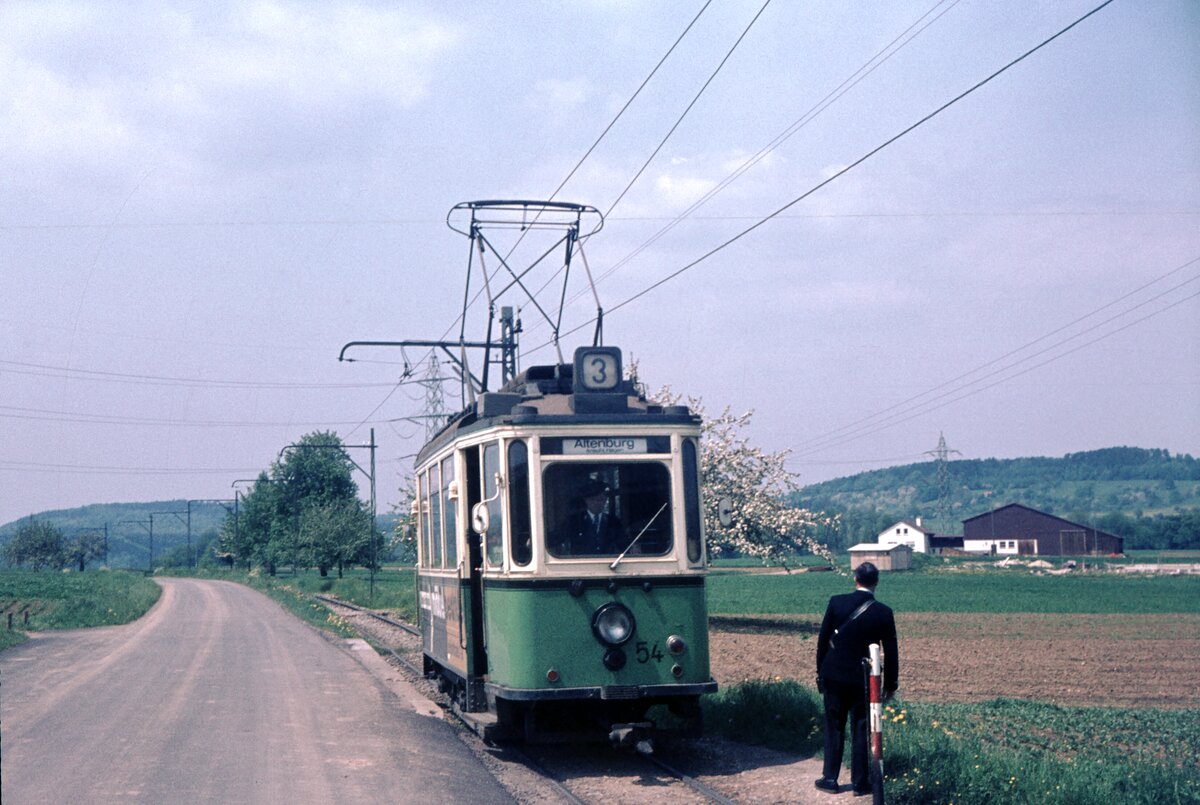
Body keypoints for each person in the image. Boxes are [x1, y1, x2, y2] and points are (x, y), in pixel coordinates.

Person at [814, 561, 899, 796]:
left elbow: (822, 641)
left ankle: (830, 778)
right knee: (861, 727)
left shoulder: (836, 602)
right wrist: (891, 684)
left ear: (855, 579)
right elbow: (891, 651)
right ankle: (861, 783)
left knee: (834, 725)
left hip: (833, 674)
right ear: (877, 582)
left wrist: (820, 672)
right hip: (863, 678)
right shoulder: (883, 612)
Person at [552, 478, 627, 555]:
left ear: (605, 500)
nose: (597, 503)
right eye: (593, 499)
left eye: (601, 499)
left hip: (608, 564)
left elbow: (624, 545)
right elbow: (556, 539)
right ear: (586, 500)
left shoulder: (613, 521)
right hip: (581, 564)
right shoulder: (574, 520)